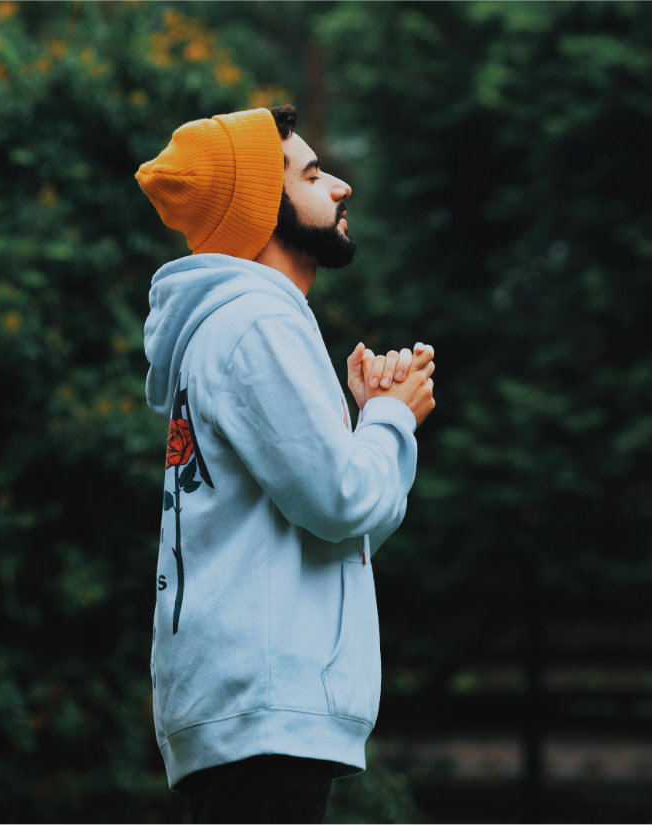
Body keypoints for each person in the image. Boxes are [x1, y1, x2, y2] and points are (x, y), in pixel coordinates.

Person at [135, 104, 435, 824]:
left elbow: (338, 533)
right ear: (260, 208)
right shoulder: (255, 322)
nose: (339, 187)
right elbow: (338, 501)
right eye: (310, 173)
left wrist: (370, 425)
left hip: (249, 709)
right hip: (262, 710)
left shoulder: (239, 324)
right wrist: (391, 417)